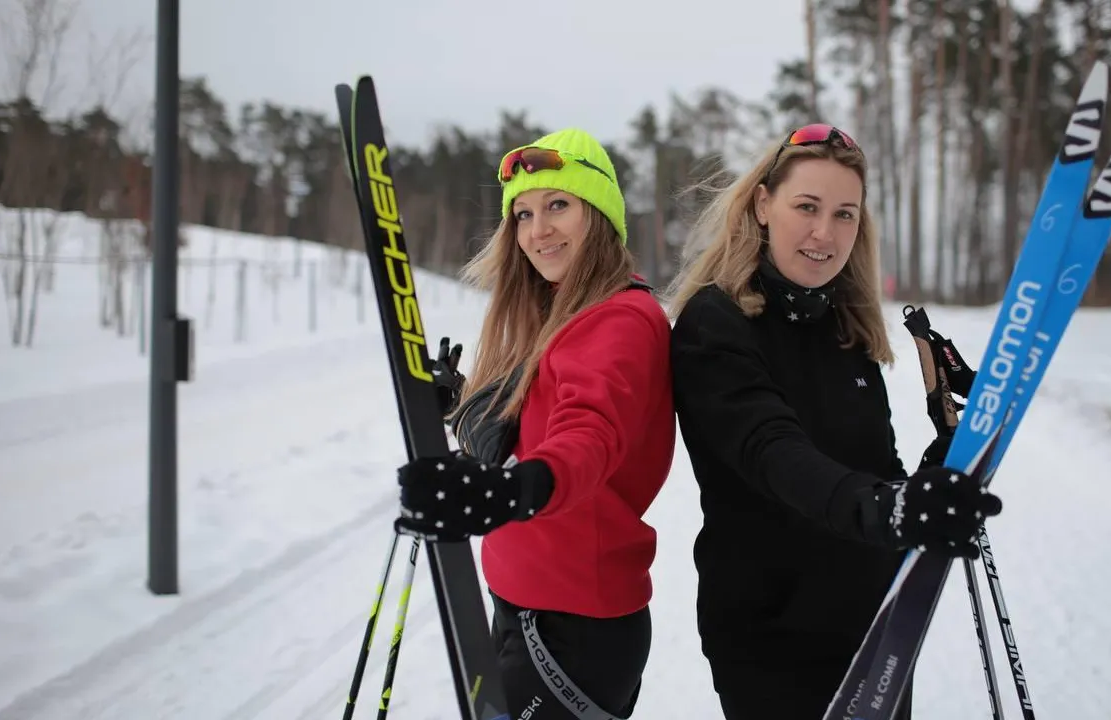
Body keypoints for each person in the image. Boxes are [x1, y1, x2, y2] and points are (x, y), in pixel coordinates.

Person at [664, 123, 1004, 720]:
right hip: (773, 642)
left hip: (873, 632)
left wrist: (940, 466)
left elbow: (873, 471)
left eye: (845, 214)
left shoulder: (844, 328)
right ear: (764, 205)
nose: (825, 232)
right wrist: (889, 508)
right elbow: (774, 454)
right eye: (807, 207)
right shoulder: (714, 323)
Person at [393, 128, 676, 720]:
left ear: (598, 214)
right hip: (524, 605)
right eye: (522, 214)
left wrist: (508, 492)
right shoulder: (555, 314)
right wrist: (462, 404)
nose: (537, 230)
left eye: (557, 206)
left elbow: (588, 435)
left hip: (573, 629)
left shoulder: (620, 318)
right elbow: (536, 432)